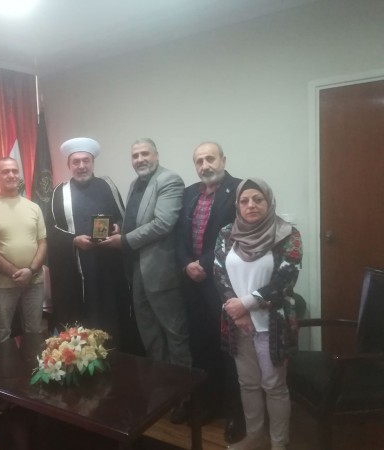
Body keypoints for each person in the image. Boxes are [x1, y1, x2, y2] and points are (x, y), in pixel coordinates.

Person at [214, 178, 302, 450]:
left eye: (257, 199)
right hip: (238, 323)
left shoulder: (287, 234)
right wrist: (237, 311)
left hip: (271, 323)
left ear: (268, 201)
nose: (250, 205)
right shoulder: (227, 233)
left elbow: (285, 280)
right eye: (244, 200)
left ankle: (278, 443)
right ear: (238, 205)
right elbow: (219, 272)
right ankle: (255, 437)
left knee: (274, 386)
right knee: (248, 383)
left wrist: (246, 304)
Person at [173, 142, 245, 441]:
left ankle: (235, 413)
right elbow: (178, 235)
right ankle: (207, 404)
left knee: (229, 349)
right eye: (199, 161)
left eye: (210, 159)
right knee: (200, 346)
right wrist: (185, 263)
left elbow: (239, 235)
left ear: (223, 160)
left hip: (223, 283)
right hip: (192, 282)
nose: (205, 165)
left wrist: (203, 263)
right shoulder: (189, 192)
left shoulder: (239, 190)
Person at [101, 138, 191, 366]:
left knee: (174, 333)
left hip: (160, 273)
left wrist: (124, 240)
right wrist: (120, 228)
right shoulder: (135, 184)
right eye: (135, 156)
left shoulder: (169, 180)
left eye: (145, 154)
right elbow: (135, 219)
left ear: (156, 155)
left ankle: (183, 384)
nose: (140, 159)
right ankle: (159, 379)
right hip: (136, 269)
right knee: (149, 331)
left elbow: (163, 224)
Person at [47, 137, 141, 353]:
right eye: (76, 162)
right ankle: (83, 356)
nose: (81, 166)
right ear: (69, 165)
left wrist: (117, 227)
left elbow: (123, 218)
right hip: (78, 268)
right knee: (82, 317)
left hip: (109, 266)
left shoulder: (107, 185)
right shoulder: (59, 192)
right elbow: (51, 230)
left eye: (86, 161)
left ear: (92, 163)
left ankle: (115, 352)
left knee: (111, 312)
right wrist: (74, 240)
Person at [0, 157, 47, 345]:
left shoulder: (34, 207)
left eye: (14, 171)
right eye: (5, 171)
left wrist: (31, 271)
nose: (11, 175)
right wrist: (16, 273)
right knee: (0, 334)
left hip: (34, 282)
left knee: (34, 331)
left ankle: (32, 364)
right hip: (2, 284)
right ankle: (4, 366)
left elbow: (42, 242)